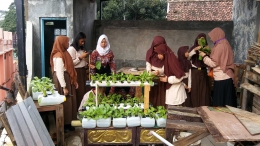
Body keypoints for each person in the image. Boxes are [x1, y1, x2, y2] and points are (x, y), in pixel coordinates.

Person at [199, 27, 237, 107]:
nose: (211, 39)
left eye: (212, 37)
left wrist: (204, 56)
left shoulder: (220, 46)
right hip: (227, 77)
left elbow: (213, 63)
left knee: (220, 104)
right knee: (228, 103)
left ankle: (219, 119)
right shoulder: (226, 44)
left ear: (217, 35)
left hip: (222, 78)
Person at [50, 36, 78, 132]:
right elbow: (59, 73)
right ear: (62, 43)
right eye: (67, 42)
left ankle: (69, 122)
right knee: (65, 102)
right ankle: (64, 125)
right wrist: (64, 87)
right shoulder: (58, 56)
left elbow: (70, 68)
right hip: (62, 81)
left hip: (67, 79)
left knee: (70, 102)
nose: (68, 44)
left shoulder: (65, 53)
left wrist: (74, 81)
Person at [67, 32, 89, 109]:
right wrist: (80, 57)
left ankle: (84, 108)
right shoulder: (71, 49)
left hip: (83, 71)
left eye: (84, 41)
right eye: (81, 41)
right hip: (77, 73)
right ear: (77, 40)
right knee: (79, 91)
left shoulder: (80, 49)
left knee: (85, 90)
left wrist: (88, 64)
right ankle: (78, 109)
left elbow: (82, 62)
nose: (83, 43)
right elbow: (70, 63)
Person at [188, 33, 211, 107]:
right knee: (195, 91)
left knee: (203, 91)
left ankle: (204, 108)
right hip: (194, 72)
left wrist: (206, 51)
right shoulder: (193, 48)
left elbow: (211, 60)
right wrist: (195, 50)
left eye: (203, 39)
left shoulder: (207, 49)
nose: (200, 41)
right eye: (199, 40)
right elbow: (188, 57)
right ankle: (195, 108)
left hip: (204, 72)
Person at [146, 36, 167, 108]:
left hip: (162, 76)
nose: (155, 48)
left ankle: (161, 112)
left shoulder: (166, 53)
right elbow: (148, 64)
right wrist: (150, 72)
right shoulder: (150, 52)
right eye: (154, 46)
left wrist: (160, 72)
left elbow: (167, 65)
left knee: (161, 96)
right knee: (152, 95)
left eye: (157, 46)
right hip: (152, 76)